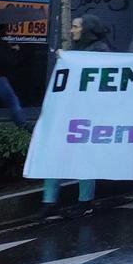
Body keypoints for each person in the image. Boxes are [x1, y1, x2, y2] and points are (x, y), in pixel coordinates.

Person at [38, 14, 110, 219]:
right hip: (68, 112)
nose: (72, 30)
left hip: (86, 114)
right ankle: (52, 201)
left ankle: (83, 201)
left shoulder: (99, 53)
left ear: (87, 29)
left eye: (76, 27)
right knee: (54, 154)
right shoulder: (79, 52)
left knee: (82, 156)